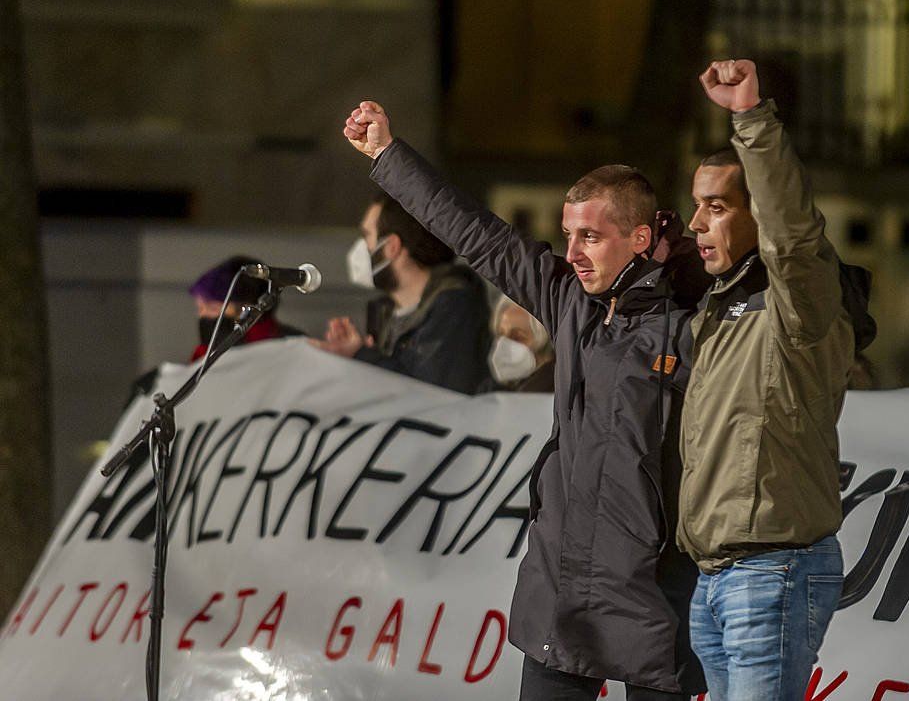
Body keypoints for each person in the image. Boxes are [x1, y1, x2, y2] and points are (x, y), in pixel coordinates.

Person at [342, 101, 709, 700]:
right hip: (560, 591)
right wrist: (387, 154)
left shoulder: (691, 328)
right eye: (568, 235)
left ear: (640, 238)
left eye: (590, 235)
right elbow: (477, 236)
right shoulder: (570, 302)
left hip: (653, 592)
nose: (574, 252)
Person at [678, 60, 874, 701]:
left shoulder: (801, 311)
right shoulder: (719, 311)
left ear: (757, 214)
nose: (696, 224)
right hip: (715, 580)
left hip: (773, 570)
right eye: (695, 208)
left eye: (716, 207)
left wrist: (750, 120)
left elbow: (792, 239)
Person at [312, 191, 491, 395]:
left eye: (366, 236)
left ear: (392, 247)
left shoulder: (455, 306)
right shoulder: (385, 312)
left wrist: (362, 355)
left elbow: (429, 394)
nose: (362, 248)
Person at [127, 255, 304, 405]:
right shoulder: (200, 363)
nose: (202, 316)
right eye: (199, 308)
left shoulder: (293, 349)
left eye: (211, 307)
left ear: (247, 308)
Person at [480, 296, 555, 393]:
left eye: (518, 337)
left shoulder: (557, 396)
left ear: (545, 345)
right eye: (500, 335)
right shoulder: (490, 390)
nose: (503, 345)